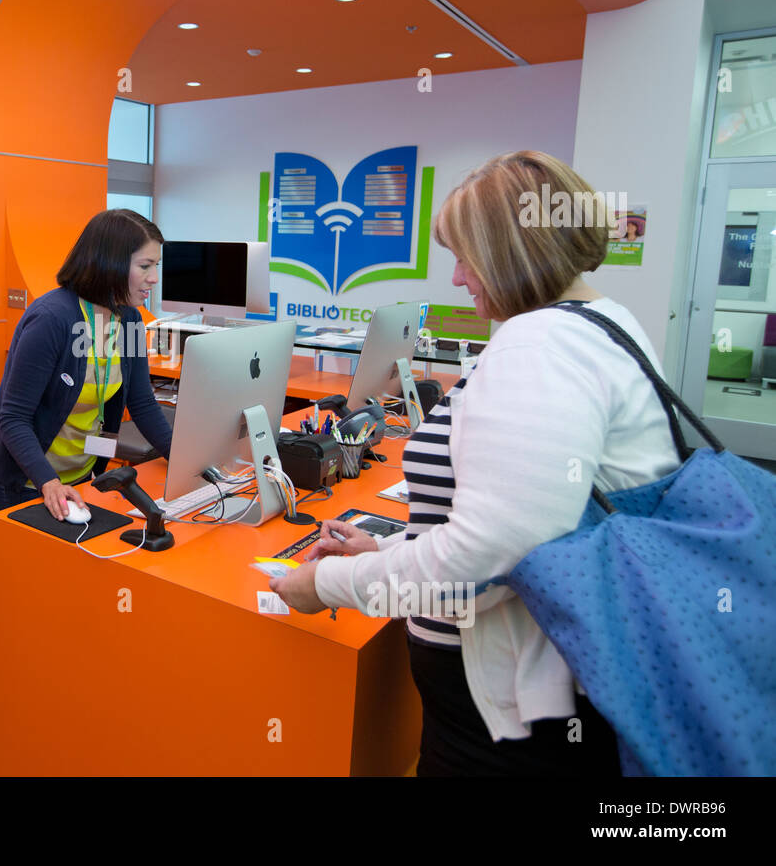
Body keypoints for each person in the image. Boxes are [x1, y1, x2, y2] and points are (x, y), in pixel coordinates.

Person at [269, 150, 679, 776]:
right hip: (548, 683)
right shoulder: (604, 323)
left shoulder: (538, 345)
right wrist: (388, 549)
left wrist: (323, 584)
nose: (458, 278)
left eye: (465, 257)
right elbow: (531, 521)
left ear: (510, 251)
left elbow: (498, 554)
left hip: (513, 707)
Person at [0, 209, 173, 518]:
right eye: (145, 266)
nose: (154, 278)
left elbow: (142, 403)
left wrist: (185, 459)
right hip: (28, 479)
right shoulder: (52, 319)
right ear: (111, 264)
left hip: (81, 474)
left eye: (156, 266)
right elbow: (13, 418)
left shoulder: (130, 320)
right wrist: (49, 482)